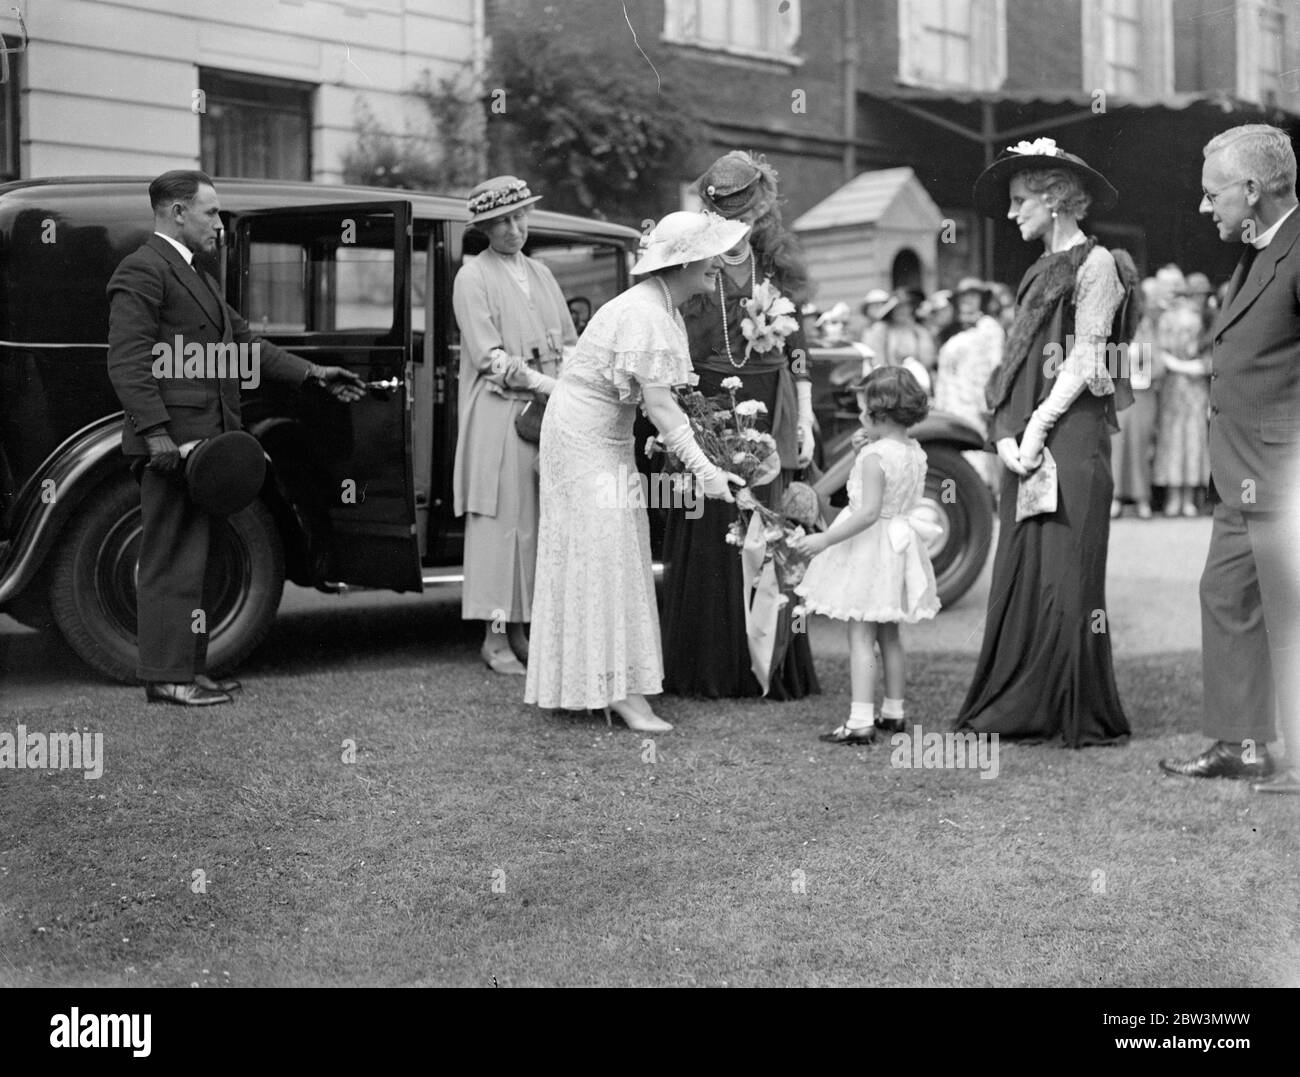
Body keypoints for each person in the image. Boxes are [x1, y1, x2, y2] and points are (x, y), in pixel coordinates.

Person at [106, 170, 365, 706]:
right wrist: (156, 436)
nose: (219, 225)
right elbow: (128, 363)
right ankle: (166, 677)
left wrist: (314, 375)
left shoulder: (194, 275)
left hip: (208, 447)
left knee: (199, 560)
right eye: (211, 213)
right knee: (170, 561)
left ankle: (187, 672)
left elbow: (246, 343)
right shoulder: (143, 269)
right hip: (175, 448)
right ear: (178, 212)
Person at [524, 211, 749, 730]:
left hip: (604, 433)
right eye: (710, 258)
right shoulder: (646, 312)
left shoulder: (661, 306)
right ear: (685, 262)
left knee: (615, 545)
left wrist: (709, 456)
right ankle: (614, 690)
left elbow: (664, 402)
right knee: (601, 548)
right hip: (581, 437)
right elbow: (663, 408)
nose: (717, 265)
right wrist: (706, 473)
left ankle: (602, 682)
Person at [951, 137, 1131, 747]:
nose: (1011, 213)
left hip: (1069, 436)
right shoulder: (1035, 271)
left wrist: (1034, 427)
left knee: (1066, 574)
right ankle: (1022, 703)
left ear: (1055, 200)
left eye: (1020, 200)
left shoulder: (1097, 264)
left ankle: (1067, 708)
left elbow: (1087, 358)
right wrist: (1005, 432)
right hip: (1027, 439)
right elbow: (1019, 359)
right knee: (1023, 567)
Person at [1160, 124, 1300, 789]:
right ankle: (1242, 746)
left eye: (1212, 193)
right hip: (1239, 473)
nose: (1204, 206)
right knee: (1225, 596)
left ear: (1251, 189)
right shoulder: (1257, 249)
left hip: (1282, 474)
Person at [659, 151, 820, 700]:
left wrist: (806, 404)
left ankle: (766, 665)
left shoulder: (776, 264)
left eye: (747, 217)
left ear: (762, 213)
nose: (737, 229)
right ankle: (710, 662)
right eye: (727, 218)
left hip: (770, 402)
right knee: (710, 521)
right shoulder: (690, 262)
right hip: (706, 402)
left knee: (765, 524)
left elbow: (798, 345)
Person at [452, 175, 577, 675]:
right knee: (502, 522)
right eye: (502, 221)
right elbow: (488, 356)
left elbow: (569, 340)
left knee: (536, 521)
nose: (514, 228)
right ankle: (494, 637)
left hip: (546, 413)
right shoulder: (472, 277)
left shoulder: (543, 272)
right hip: (501, 414)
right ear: (484, 227)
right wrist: (548, 385)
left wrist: (569, 378)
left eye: (520, 216)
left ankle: (523, 629)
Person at [793, 366, 939, 744]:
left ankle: (860, 720)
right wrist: (864, 451)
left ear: (880, 414)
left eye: (862, 411)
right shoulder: (914, 451)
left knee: (860, 633)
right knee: (889, 634)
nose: (859, 418)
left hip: (869, 550)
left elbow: (869, 511)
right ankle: (894, 710)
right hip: (897, 549)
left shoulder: (875, 456)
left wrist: (825, 540)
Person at [933, 277, 1004, 489]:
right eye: (964, 296)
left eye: (973, 296)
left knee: (975, 453)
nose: (968, 301)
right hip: (951, 400)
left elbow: (996, 366)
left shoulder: (989, 327)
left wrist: (990, 402)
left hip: (974, 402)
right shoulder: (953, 329)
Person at [1153, 267, 1212, 516]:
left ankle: (1186, 499)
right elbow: (1158, 350)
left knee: (1192, 438)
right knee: (1174, 437)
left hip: (1192, 386)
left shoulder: (1202, 317)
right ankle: (1175, 498)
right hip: (1175, 385)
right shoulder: (1166, 317)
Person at [1110, 276, 1164, 519]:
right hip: (1119, 395)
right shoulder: (1114, 330)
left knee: (1141, 446)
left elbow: (1160, 365)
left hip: (1142, 395)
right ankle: (1116, 497)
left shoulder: (1149, 330)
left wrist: (1146, 373)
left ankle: (1143, 499)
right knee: (1117, 446)